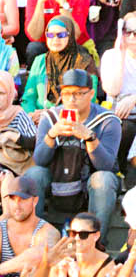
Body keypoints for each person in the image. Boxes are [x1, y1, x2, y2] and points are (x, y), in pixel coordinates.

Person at [28, 68, 122, 228]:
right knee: (33, 174)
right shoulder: (50, 118)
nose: (72, 99)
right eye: (66, 93)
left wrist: (89, 137)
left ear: (91, 94)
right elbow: (39, 161)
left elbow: (105, 165)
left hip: (91, 182)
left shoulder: (107, 120)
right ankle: (32, 236)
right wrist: (52, 135)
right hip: (58, 178)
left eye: (78, 93)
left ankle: (96, 242)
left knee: (103, 180)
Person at [0, 173, 63, 266]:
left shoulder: (47, 231)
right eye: (12, 199)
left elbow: (39, 255)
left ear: (35, 201)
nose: (17, 205)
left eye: (22, 199)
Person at [22, 16, 100, 115]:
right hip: (39, 121)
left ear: (70, 35)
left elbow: (89, 100)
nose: (55, 39)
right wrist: (32, 115)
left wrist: (53, 116)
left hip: (72, 121)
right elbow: (28, 98)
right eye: (50, 35)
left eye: (61, 35)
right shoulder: (40, 61)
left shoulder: (85, 62)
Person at [100, 11, 136, 173]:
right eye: (128, 32)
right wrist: (120, 54)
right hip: (121, 117)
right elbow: (112, 89)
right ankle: (119, 170)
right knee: (124, 128)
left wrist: (133, 99)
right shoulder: (111, 56)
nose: (132, 38)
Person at [25, 0, 94, 64]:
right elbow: (34, 36)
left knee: (80, 52)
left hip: (72, 44)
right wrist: (40, 2)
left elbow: (75, 35)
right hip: (47, 44)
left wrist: (63, 3)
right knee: (34, 48)